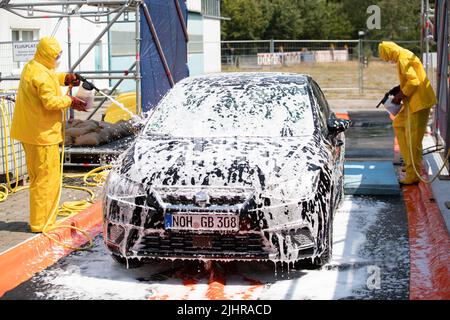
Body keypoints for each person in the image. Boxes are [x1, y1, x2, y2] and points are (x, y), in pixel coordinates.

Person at [11, 36, 88, 233]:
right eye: (56, 56)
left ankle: (43, 219)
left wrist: (65, 78)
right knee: (46, 179)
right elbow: (50, 102)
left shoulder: (34, 66)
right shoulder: (41, 75)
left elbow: (49, 76)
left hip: (31, 132)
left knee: (39, 178)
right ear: (47, 54)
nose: (58, 59)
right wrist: (69, 100)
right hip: (42, 135)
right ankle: (41, 224)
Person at [378, 41, 437, 185]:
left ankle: (413, 175)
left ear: (389, 52)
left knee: (413, 140)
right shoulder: (403, 55)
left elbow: (414, 82)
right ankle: (410, 163)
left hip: (419, 103)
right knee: (398, 124)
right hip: (413, 101)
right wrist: (400, 87)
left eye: (386, 57)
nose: (388, 60)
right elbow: (412, 78)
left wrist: (400, 95)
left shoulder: (403, 59)